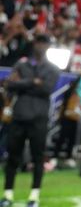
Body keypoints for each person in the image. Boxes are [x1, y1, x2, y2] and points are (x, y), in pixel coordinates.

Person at [1, 34, 60, 207]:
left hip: (39, 118)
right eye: (39, 42)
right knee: (13, 156)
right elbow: (9, 84)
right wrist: (34, 82)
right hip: (19, 116)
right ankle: (7, 194)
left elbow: (46, 89)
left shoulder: (52, 69)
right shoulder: (21, 64)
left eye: (44, 43)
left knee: (37, 157)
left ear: (48, 46)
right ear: (34, 44)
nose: (41, 46)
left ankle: (34, 195)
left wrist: (23, 83)